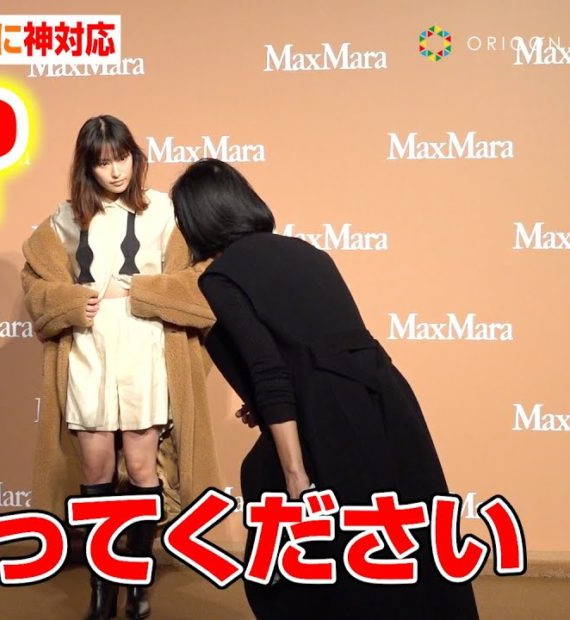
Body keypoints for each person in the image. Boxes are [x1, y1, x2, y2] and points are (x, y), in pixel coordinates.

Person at [170, 158, 480, 620]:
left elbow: (269, 370)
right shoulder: (308, 252)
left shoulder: (220, 277)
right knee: (407, 533)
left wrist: (296, 474)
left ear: (196, 220)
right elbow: (317, 341)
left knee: (322, 536)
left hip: (330, 413)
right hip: (387, 397)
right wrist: (272, 403)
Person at [21, 116, 221, 620]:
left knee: (141, 467)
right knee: (95, 471)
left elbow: (200, 276)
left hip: (145, 348)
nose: (115, 171)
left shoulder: (164, 211)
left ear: (135, 157)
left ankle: (137, 581)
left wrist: (146, 292)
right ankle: (101, 588)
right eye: (103, 162)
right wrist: (71, 302)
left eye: (122, 158)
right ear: (87, 167)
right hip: (89, 351)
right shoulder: (65, 218)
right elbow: (35, 281)